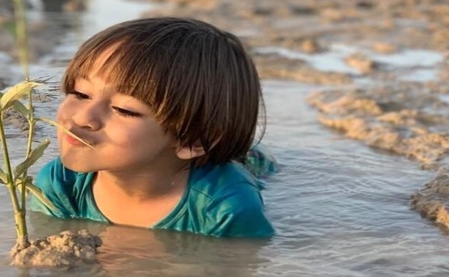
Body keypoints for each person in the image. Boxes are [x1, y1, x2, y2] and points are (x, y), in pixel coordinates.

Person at [31, 17, 275, 238]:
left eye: (124, 109)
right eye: (81, 94)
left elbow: (241, 261)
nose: (83, 117)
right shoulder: (60, 184)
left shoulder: (224, 207)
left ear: (191, 141)